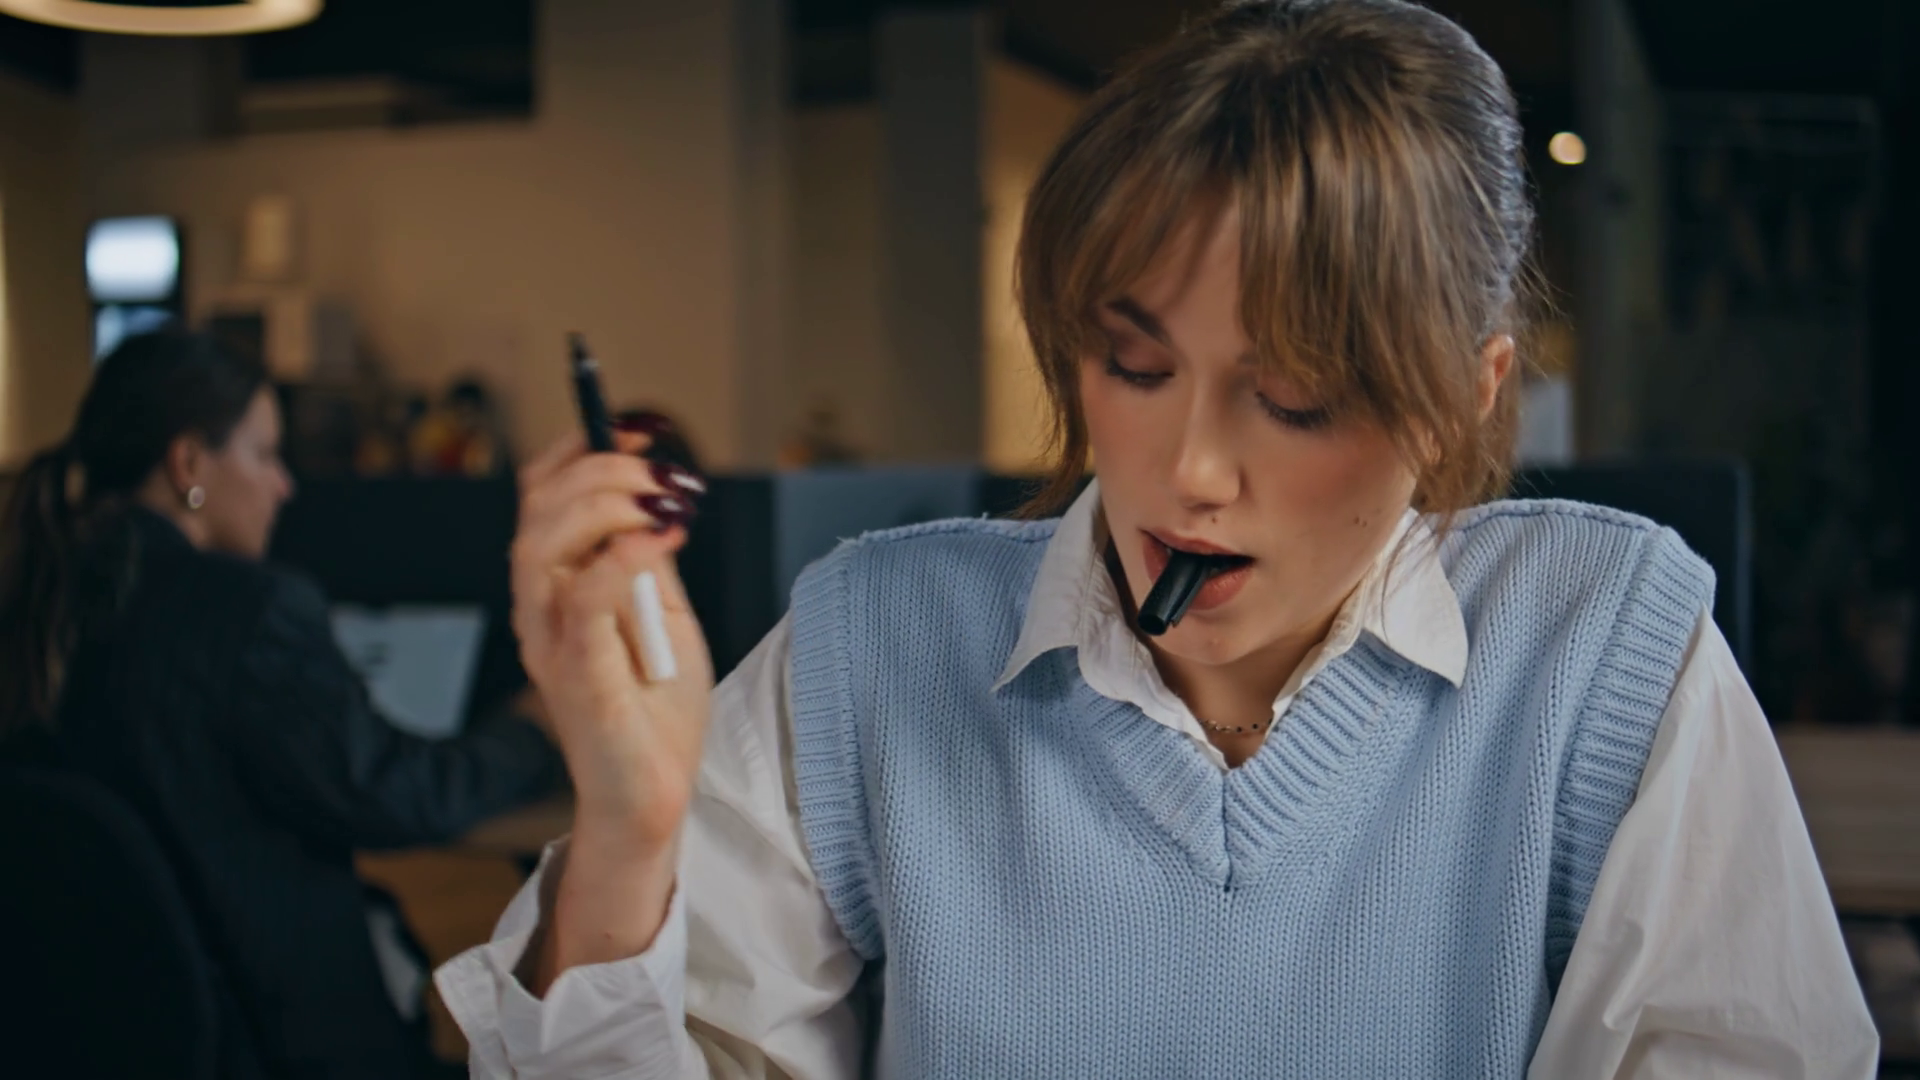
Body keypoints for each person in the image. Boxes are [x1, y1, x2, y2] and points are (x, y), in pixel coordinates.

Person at [438, 1, 1880, 1076]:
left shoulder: (1601, 644)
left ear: (1463, 394)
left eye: (1295, 398)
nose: (1188, 470)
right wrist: (626, 836)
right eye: (1133, 368)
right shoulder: (876, 638)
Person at [0, 331, 566, 1080]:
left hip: (88, 1045)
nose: (285, 485)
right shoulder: (245, 611)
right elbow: (392, 793)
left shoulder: (37, 597)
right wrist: (533, 729)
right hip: (276, 1050)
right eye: (265, 454)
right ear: (188, 464)